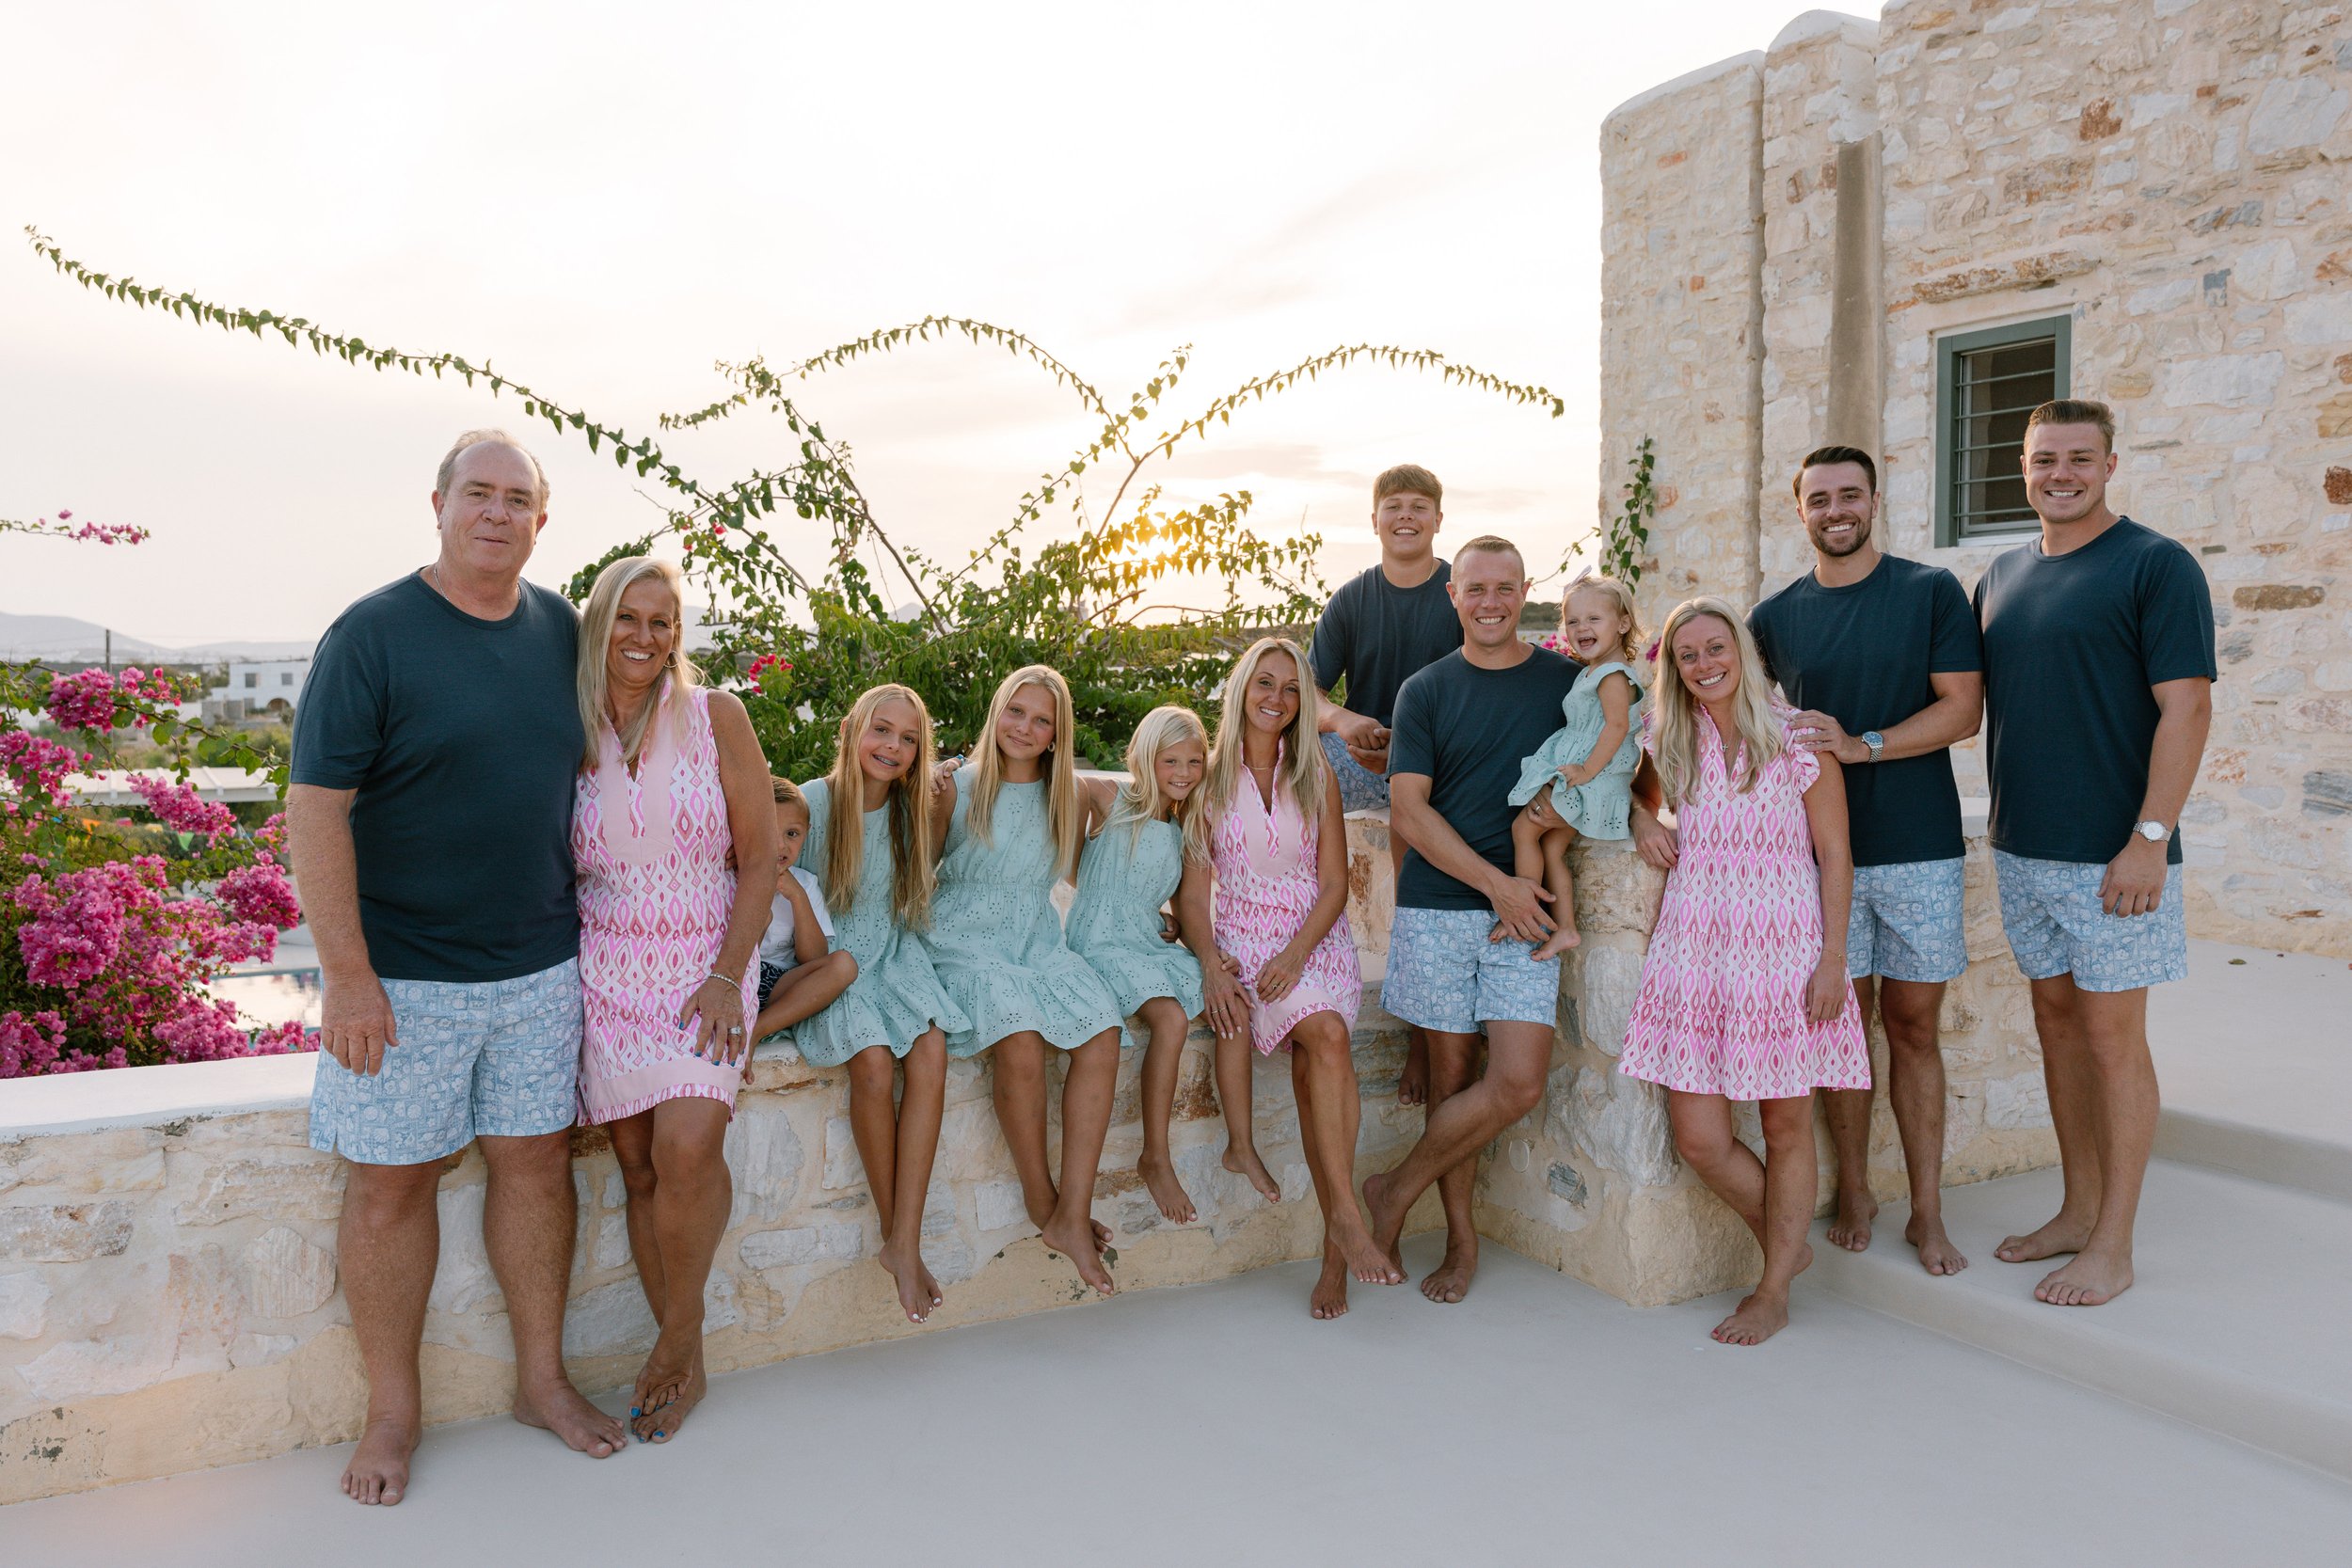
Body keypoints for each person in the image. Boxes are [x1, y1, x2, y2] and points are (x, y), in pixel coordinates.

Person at [290, 430, 626, 1505]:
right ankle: (392, 1412)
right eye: (476, 493)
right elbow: (314, 807)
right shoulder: (374, 634)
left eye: (515, 497)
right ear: (437, 503)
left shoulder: (564, 629)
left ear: (542, 518)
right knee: (391, 1188)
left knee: (536, 1168)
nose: (495, 511)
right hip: (404, 979)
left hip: (540, 968)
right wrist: (347, 973)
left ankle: (540, 1381)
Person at [1973, 398, 2214, 1307]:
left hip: (2118, 856)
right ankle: (2076, 1210)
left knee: (2116, 1043)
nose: (2059, 473)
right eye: (2043, 459)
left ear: (2111, 464)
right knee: (2057, 1027)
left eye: (2079, 457)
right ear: (2023, 467)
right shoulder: (1999, 574)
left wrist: (2149, 838)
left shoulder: (2155, 565)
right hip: (2025, 850)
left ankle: (2113, 1242)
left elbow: (2187, 709)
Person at [1748, 445, 1983, 1276]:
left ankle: (1927, 1209)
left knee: (1913, 1028)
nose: (1836, 509)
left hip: (1917, 846)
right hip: (1810, 860)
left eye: (1851, 494)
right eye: (1820, 497)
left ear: (1874, 501)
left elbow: (1962, 710)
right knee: (1838, 1033)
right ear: (1798, 506)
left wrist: (1863, 745)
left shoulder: (1928, 592)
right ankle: (1853, 1187)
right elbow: (1735, 725)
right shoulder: (1773, 618)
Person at [1617, 597, 1869, 1346]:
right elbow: (1632, 797)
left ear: (1743, 650)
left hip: (1785, 945)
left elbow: (1836, 854)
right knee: (1699, 1134)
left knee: (1786, 1123)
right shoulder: (1668, 732)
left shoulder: (1799, 735)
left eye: (1715, 646)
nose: (1703, 663)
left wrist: (1832, 959)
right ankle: (1789, 1242)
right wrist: (1639, 821)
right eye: (1686, 653)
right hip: (1696, 944)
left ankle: (1772, 1287)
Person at [569, 557, 777, 1445]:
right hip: (607, 970)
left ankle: (678, 1340)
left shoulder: (714, 715)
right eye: (628, 617)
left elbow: (761, 858)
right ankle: (682, 1364)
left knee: (689, 1143)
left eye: (662, 621)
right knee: (639, 1167)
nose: (645, 637)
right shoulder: (564, 729)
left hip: (706, 960)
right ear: (598, 625)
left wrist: (730, 973)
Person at [1361, 536, 1588, 1307]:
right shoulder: (1424, 689)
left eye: (1504, 587)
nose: (1490, 601)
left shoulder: (1569, 683)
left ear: (1527, 591)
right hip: (1442, 906)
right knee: (1451, 1079)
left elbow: (1623, 762)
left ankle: (1392, 1191)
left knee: (1516, 1082)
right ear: (1452, 596)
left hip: (1528, 914)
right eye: (1474, 588)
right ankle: (1461, 1237)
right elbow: (1407, 810)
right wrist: (1499, 885)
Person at [1184, 636, 1403, 1319]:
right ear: (1241, 691)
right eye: (1264, 684)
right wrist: (1213, 964)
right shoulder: (1209, 777)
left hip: (1315, 940)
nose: (1276, 698)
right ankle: (1343, 1221)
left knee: (1321, 1057)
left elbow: (1336, 884)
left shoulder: (1317, 773)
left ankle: (1338, 1245)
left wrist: (1298, 954)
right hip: (1247, 942)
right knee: (1330, 1039)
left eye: (1290, 687)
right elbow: (1194, 897)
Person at [926, 666, 1127, 1296]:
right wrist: (925, 795)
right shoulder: (956, 787)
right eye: (1017, 712)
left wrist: (1101, 796)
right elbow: (916, 867)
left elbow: (1135, 833)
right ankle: (1049, 1205)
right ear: (996, 712)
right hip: (962, 938)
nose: (1025, 727)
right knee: (1018, 1032)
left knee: (1102, 1027)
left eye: (1042, 720)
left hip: (1036, 937)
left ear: (1055, 735)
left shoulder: (1066, 793)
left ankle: (1074, 1206)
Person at [792, 685, 969, 1323]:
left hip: (891, 953)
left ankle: (903, 1240)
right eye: (881, 730)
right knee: (870, 1061)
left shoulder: (910, 810)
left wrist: (942, 790)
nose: (893, 746)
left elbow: (924, 876)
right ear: (850, 729)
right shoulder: (814, 802)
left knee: (930, 1049)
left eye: (909, 737)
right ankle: (902, 1239)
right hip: (831, 960)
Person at [1309, 463, 1464, 1107]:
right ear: (1374, 520)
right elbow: (1306, 692)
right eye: (1394, 505)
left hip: (1446, 762)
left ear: (1437, 519)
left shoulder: (1461, 589)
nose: (1406, 515)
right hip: (1366, 755)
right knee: (1295, 759)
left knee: (1419, 876)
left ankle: (1422, 1042)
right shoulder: (1352, 597)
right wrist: (1347, 722)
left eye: (1419, 506)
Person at [1068, 705, 1215, 1225]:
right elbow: (1076, 870)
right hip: (1101, 941)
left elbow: (1174, 903)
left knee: (1226, 998)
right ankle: (1156, 1154)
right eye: (1169, 760)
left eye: (1194, 762)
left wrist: (1163, 922)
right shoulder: (1108, 800)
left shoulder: (1183, 829)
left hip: (1144, 941)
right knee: (1172, 1018)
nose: (1181, 773)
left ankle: (1230, 1142)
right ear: (1143, 757)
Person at [1504, 575, 1645, 960]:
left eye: (1594, 619)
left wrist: (1584, 772)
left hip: (1589, 781)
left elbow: (1617, 727)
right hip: (1587, 778)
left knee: (1523, 830)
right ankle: (1565, 928)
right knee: (1551, 850)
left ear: (1622, 623)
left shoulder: (1612, 675)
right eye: (1573, 621)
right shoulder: (1594, 670)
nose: (1581, 628)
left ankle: (1524, 912)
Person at [750, 777, 857, 1043]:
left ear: (806, 833)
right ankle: (745, 1018)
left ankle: (758, 1029)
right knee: (761, 918)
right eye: (768, 831)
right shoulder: (731, 878)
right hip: (738, 978)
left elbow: (814, 958)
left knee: (844, 964)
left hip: (780, 986)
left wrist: (797, 897)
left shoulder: (806, 884)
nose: (781, 845)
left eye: (792, 834)